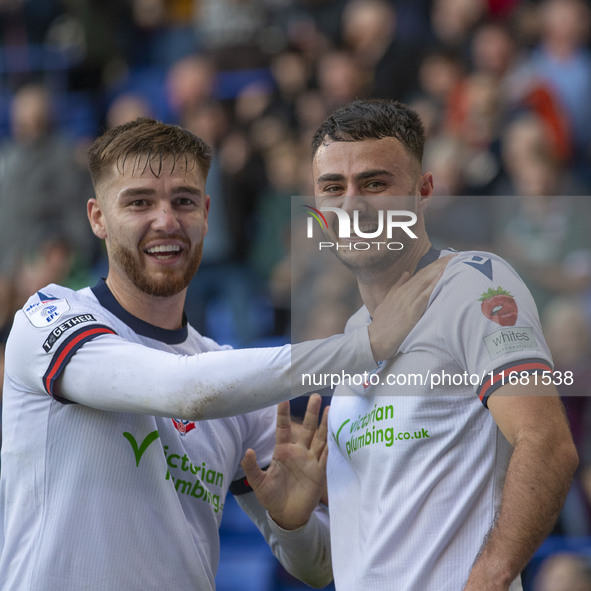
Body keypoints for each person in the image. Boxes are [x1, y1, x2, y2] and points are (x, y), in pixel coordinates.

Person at [0, 117, 449, 590]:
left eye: (184, 201)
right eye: (138, 202)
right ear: (98, 218)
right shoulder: (47, 319)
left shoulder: (227, 383)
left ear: (207, 214)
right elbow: (184, 389)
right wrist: (363, 346)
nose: (166, 220)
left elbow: (320, 568)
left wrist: (294, 525)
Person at [243, 99, 579, 591]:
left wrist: (489, 577)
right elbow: (340, 566)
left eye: (375, 183)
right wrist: (293, 524)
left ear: (423, 193)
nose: (352, 204)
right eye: (333, 188)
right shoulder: (354, 338)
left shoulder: (474, 283)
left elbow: (547, 445)